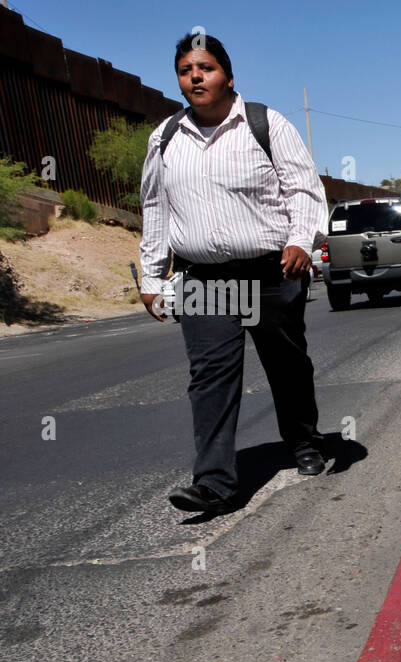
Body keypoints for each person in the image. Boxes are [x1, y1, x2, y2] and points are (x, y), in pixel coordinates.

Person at [139, 33, 328, 515]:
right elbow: (155, 208)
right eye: (185, 70)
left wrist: (299, 241)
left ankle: (303, 441)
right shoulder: (164, 138)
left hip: (271, 270)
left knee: (286, 363)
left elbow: (303, 190)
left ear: (228, 75)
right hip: (204, 277)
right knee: (210, 376)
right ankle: (214, 483)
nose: (195, 77)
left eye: (205, 68)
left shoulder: (267, 124)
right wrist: (152, 277)